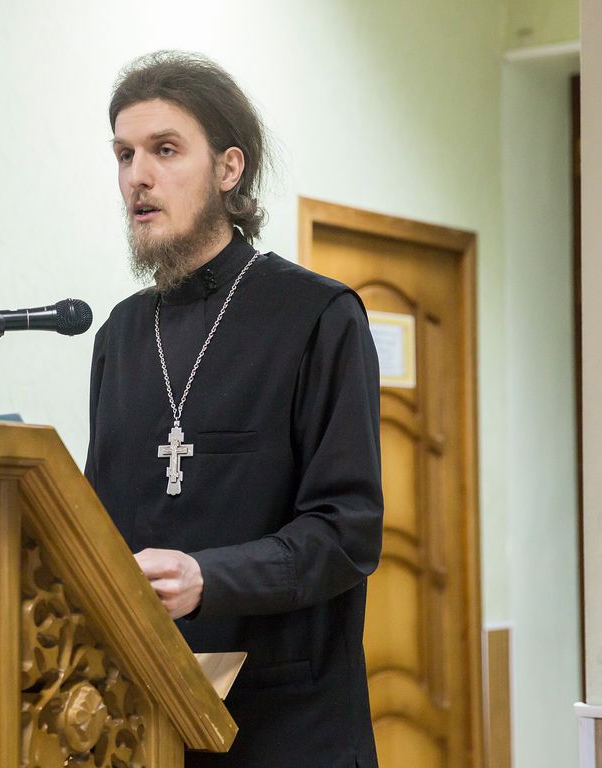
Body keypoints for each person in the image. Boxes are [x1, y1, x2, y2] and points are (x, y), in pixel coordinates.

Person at [85, 51, 384, 767]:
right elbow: (97, 523)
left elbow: (347, 532)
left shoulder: (318, 315)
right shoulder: (121, 336)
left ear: (228, 169)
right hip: (148, 722)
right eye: (124, 154)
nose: (137, 177)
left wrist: (207, 578)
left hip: (288, 728)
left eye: (164, 150)